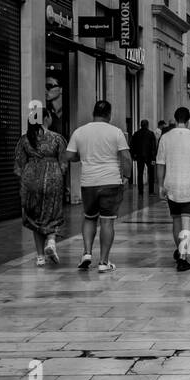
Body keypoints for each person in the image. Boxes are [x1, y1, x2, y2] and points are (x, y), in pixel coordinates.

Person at [62, 100, 131, 272]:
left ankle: (86, 253)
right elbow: (127, 158)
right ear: (109, 114)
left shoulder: (80, 131)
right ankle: (103, 262)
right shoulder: (116, 132)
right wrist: (127, 176)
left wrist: (82, 157)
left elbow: (68, 155)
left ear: (94, 113)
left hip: (89, 182)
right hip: (111, 181)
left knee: (89, 217)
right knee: (107, 222)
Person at [154, 107, 190, 271]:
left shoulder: (165, 138)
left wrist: (160, 185)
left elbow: (160, 164)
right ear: (189, 120)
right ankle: (183, 257)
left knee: (176, 220)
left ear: (175, 118)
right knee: (187, 223)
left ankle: (179, 250)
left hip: (172, 185)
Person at [14, 106, 67, 266]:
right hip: (52, 177)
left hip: (31, 180)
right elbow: (63, 164)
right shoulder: (57, 138)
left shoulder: (24, 139)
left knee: (35, 217)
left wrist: (26, 180)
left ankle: (39, 258)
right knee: (52, 212)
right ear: (45, 118)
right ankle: (51, 241)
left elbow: (18, 166)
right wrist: (58, 176)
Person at [130, 119, 158, 196]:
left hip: (139, 156)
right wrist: (153, 158)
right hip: (149, 157)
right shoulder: (151, 134)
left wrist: (133, 156)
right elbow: (153, 147)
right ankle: (151, 191)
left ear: (140, 125)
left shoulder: (136, 134)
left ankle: (140, 192)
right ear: (147, 125)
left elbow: (132, 146)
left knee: (140, 174)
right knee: (151, 174)